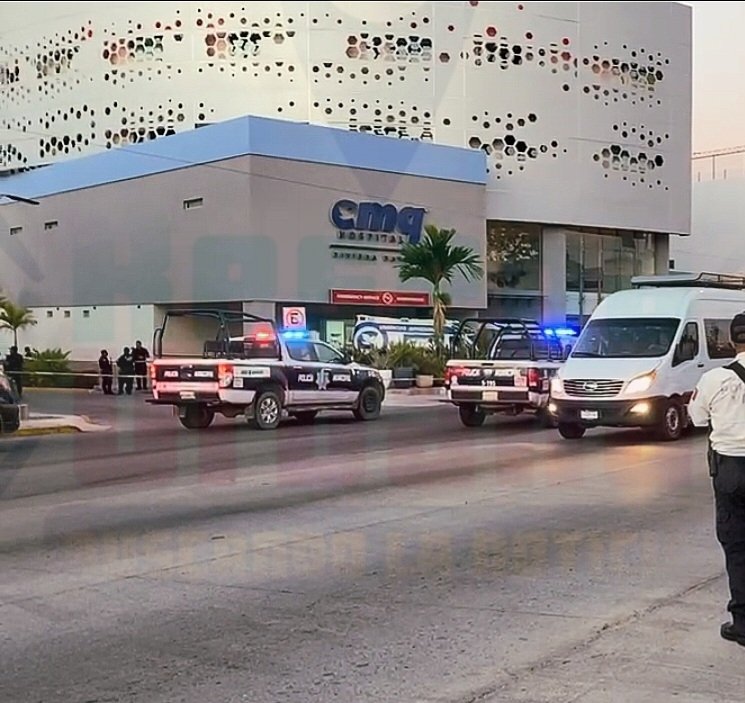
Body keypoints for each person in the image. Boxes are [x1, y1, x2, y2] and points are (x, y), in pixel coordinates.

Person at [689, 311, 745, 647]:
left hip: (731, 469)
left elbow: (696, 419)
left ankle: (743, 623)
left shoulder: (714, 379)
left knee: (738, 547)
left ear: (730, 341)